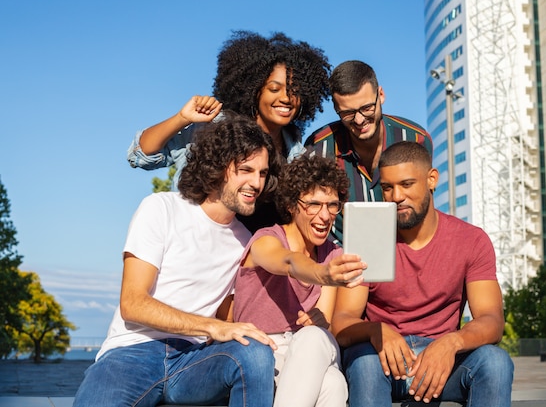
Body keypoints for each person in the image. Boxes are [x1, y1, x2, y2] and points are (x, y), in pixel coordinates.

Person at [73, 112, 282, 407]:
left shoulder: (246, 242)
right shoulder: (161, 208)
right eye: (246, 170)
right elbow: (132, 303)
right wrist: (211, 327)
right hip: (132, 352)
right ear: (219, 167)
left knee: (255, 351)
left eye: (262, 173)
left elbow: (228, 318)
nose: (256, 183)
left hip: (193, 361)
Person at [331, 141, 514, 407]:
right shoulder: (369, 237)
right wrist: (376, 330)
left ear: (431, 180)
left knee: (496, 362)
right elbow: (342, 323)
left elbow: (492, 321)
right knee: (364, 362)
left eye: (406, 185)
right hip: (383, 362)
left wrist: (452, 343)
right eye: (387, 187)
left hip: (443, 364)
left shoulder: (471, 240)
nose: (396, 197)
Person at [232, 155, 366, 407]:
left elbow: (322, 322)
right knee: (333, 383)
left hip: (309, 348)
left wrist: (318, 320)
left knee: (313, 337)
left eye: (332, 205)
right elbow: (289, 263)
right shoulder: (266, 239)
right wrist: (323, 273)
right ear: (293, 205)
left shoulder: (332, 253)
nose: (325, 216)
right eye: (313, 204)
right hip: (263, 353)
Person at [127, 30, 330, 189]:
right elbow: (142, 155)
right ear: (253, 90)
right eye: (274, 89)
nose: (286, 98)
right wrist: (182, 118)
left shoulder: (297, 153)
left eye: (294, 90)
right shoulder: (215, 128)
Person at [304, 60, 432, 244]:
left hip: (405, 254)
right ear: (335, 108)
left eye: (366, 108)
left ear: (380, 95)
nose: (359, 120)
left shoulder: (416, 139)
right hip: (339, 258)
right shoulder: (318, 147)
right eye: (347, 113)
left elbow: (425, 207)